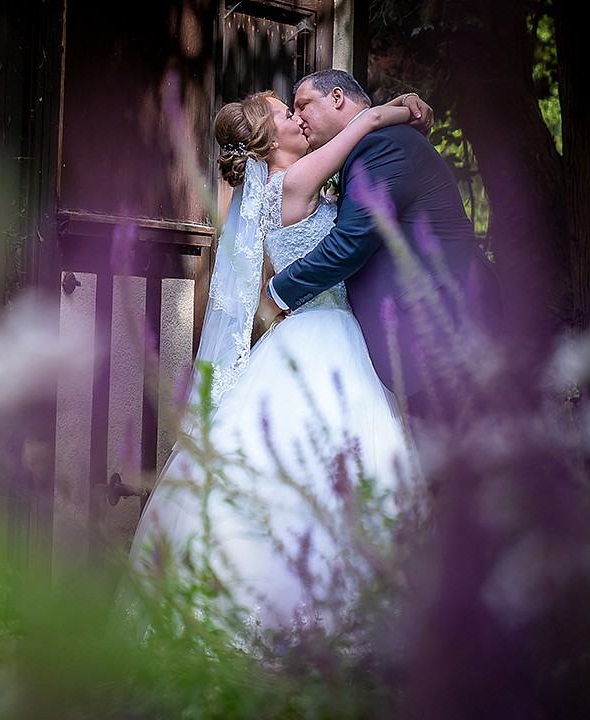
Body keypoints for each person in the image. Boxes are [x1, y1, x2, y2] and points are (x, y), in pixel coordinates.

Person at [122, 86, 435, 631]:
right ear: (270, 142)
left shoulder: (284, 186)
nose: (298, 118)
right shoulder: (292, 181)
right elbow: (360, 126)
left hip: (309, 329)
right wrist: (400, 108)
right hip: (325, 332)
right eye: (288, 114)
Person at [264, 69, 502, 422]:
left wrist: (277, 292)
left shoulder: (379, 146)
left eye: (303, 105)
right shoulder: (369, 145)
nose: (298, 118)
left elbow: (350, 242)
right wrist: (404, 103)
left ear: (336, 97)